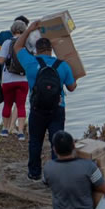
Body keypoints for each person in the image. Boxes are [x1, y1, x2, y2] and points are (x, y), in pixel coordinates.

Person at [14, 20, 77, 181]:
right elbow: (72, 87)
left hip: (37, 109)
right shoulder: (62, 65)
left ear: (36, 50)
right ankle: (55, 175)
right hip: (57, 108)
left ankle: (34, 173)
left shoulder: (30, 62)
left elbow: (17, 47)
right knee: (57, 141)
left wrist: (28, 30)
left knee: (35, 142)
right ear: (51, 50)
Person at [0, 19, 30, 140]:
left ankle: (5, 129)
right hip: (23, 79)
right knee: (21, 105)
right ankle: (20, 132)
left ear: (13, 30)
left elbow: (1, 61)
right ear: (24, 30)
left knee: (8, 104)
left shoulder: (6, 42)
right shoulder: (27, 43)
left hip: (8, 80)